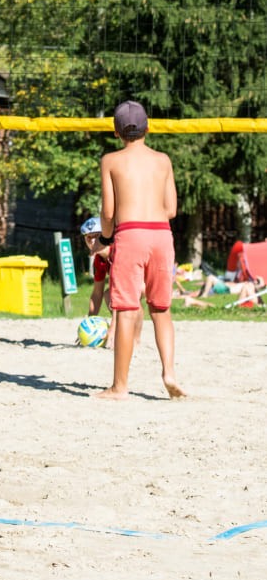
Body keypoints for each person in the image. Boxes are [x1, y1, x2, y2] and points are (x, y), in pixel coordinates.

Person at [97, 100, 185, 400]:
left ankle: (120, 386)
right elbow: (171, 209)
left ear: (116, 131)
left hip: (130, 234)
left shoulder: (111, 161)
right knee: (161, 309)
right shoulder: (163, 160)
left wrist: (106, 239)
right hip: (161, 235)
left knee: (125, 310)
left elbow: (108, 212)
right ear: (148, 128)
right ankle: (169, 373)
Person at [79, 215, 117, 349]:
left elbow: (123, 295)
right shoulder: (99, 260)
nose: (92, 240)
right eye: (89, 237)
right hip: (126, 291)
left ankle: (134, 339)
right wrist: (88, 326)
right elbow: (96, 294)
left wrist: (113, 328)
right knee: (108, 294)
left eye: (96, 235)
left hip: (145, 282)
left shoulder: (117, 252)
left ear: (105, 235)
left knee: (120, 298)